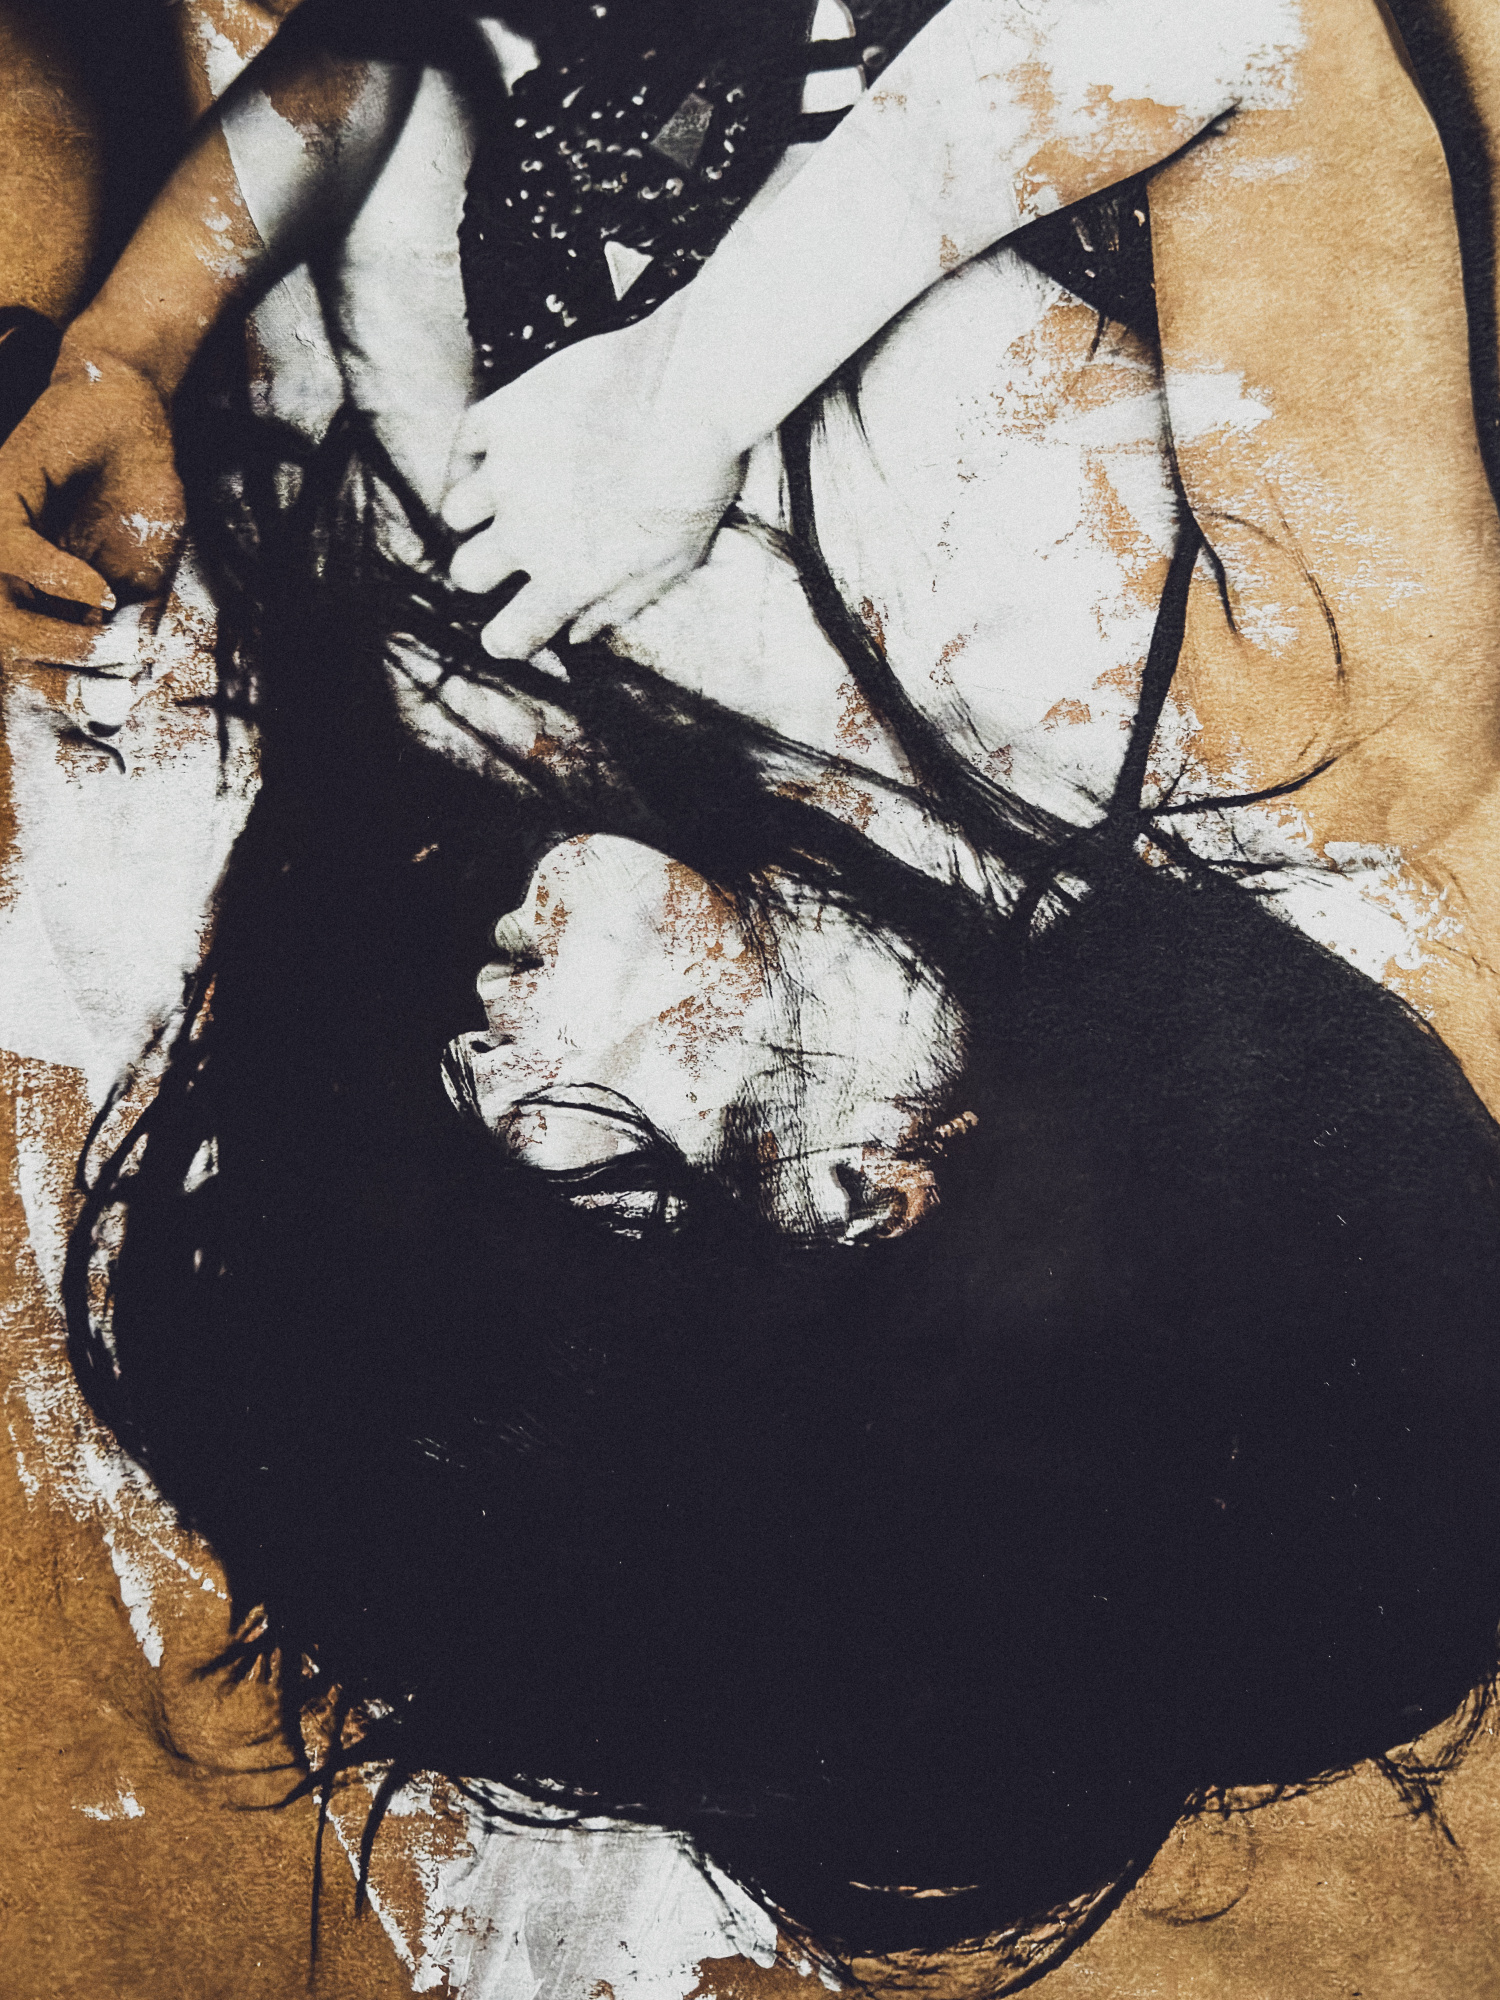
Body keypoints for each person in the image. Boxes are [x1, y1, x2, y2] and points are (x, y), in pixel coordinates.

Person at [6, 0, 1500, 1978]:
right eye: (602, 1196)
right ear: (887, 1192)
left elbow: (393, 76)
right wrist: (693, 394)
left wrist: (123, 345)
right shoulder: (1298, 718)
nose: (478, 1087)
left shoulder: (554, 763)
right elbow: (1256, 24)